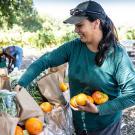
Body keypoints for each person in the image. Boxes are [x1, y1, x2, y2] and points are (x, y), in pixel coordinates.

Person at [15, 1, 135, 135]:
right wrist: (21, 83)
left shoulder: (117, 55)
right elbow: (45, 61)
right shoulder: (73, 47)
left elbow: (132, 94)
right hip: (78, 125)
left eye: (79, 25)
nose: (75, 30)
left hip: (106, 127)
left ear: (96, 23)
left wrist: (99, 109)